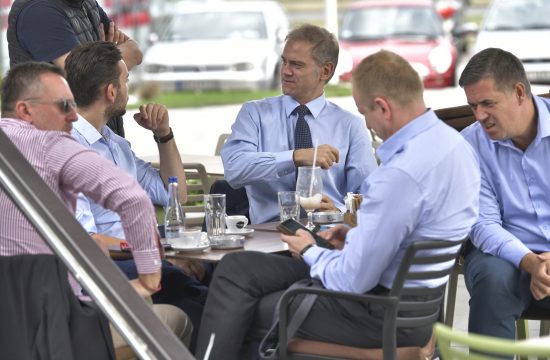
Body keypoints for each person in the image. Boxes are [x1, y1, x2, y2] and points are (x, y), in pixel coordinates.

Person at [195, 50, 481, 359]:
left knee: (243, 304)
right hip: (414, 308)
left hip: (375, 314)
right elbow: (397, 234)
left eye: (365, 113)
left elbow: (351, 279)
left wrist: (308, 248)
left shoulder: (400, 174)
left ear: (383, 108)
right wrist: (351, 231)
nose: (368, 125)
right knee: (237, 267)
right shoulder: (456, 146)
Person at [0, 62, 192, 350]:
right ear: (26, 110)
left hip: (14, 325)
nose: (73, 116)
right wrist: (149, 277)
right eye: (63, 106)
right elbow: (133, 199)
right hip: (66, 321)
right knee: (181, 315)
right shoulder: (52, 145)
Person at [64, 41, 208, 351]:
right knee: (195, 294)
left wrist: (163, 135)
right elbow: (87, 241)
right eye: (126, 79)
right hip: (107, 266)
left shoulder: (114, 143)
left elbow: (175, 196)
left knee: (212, 271)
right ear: (111, 92)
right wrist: (153, 256)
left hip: (134, 250)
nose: (131, 88)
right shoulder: (70, 151)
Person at [221, 24, 378, 224]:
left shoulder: (350, 126)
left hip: (328, 231)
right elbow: (234, 170)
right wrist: (296, 157)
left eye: (296, 65)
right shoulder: (255, 114)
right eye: (284, 62)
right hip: (270, 231)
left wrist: (338, 212)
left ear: (325, 71)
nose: (285, 71)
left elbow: (368, 197)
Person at [459, 47, 550, 340]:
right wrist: (531, 262)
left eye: (487, 103)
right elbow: (482, 225)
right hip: (506, 257)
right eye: (473, 106)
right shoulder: (470, 145)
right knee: (493, 279)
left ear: (520, 92)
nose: (479, 115)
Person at [7, 0, 142, 137]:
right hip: (55, 143)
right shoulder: (40, 10)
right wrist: (108, 57)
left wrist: (105, 59)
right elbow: (89, 79)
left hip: (101, 137)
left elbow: (136, 53)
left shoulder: (87, 4)